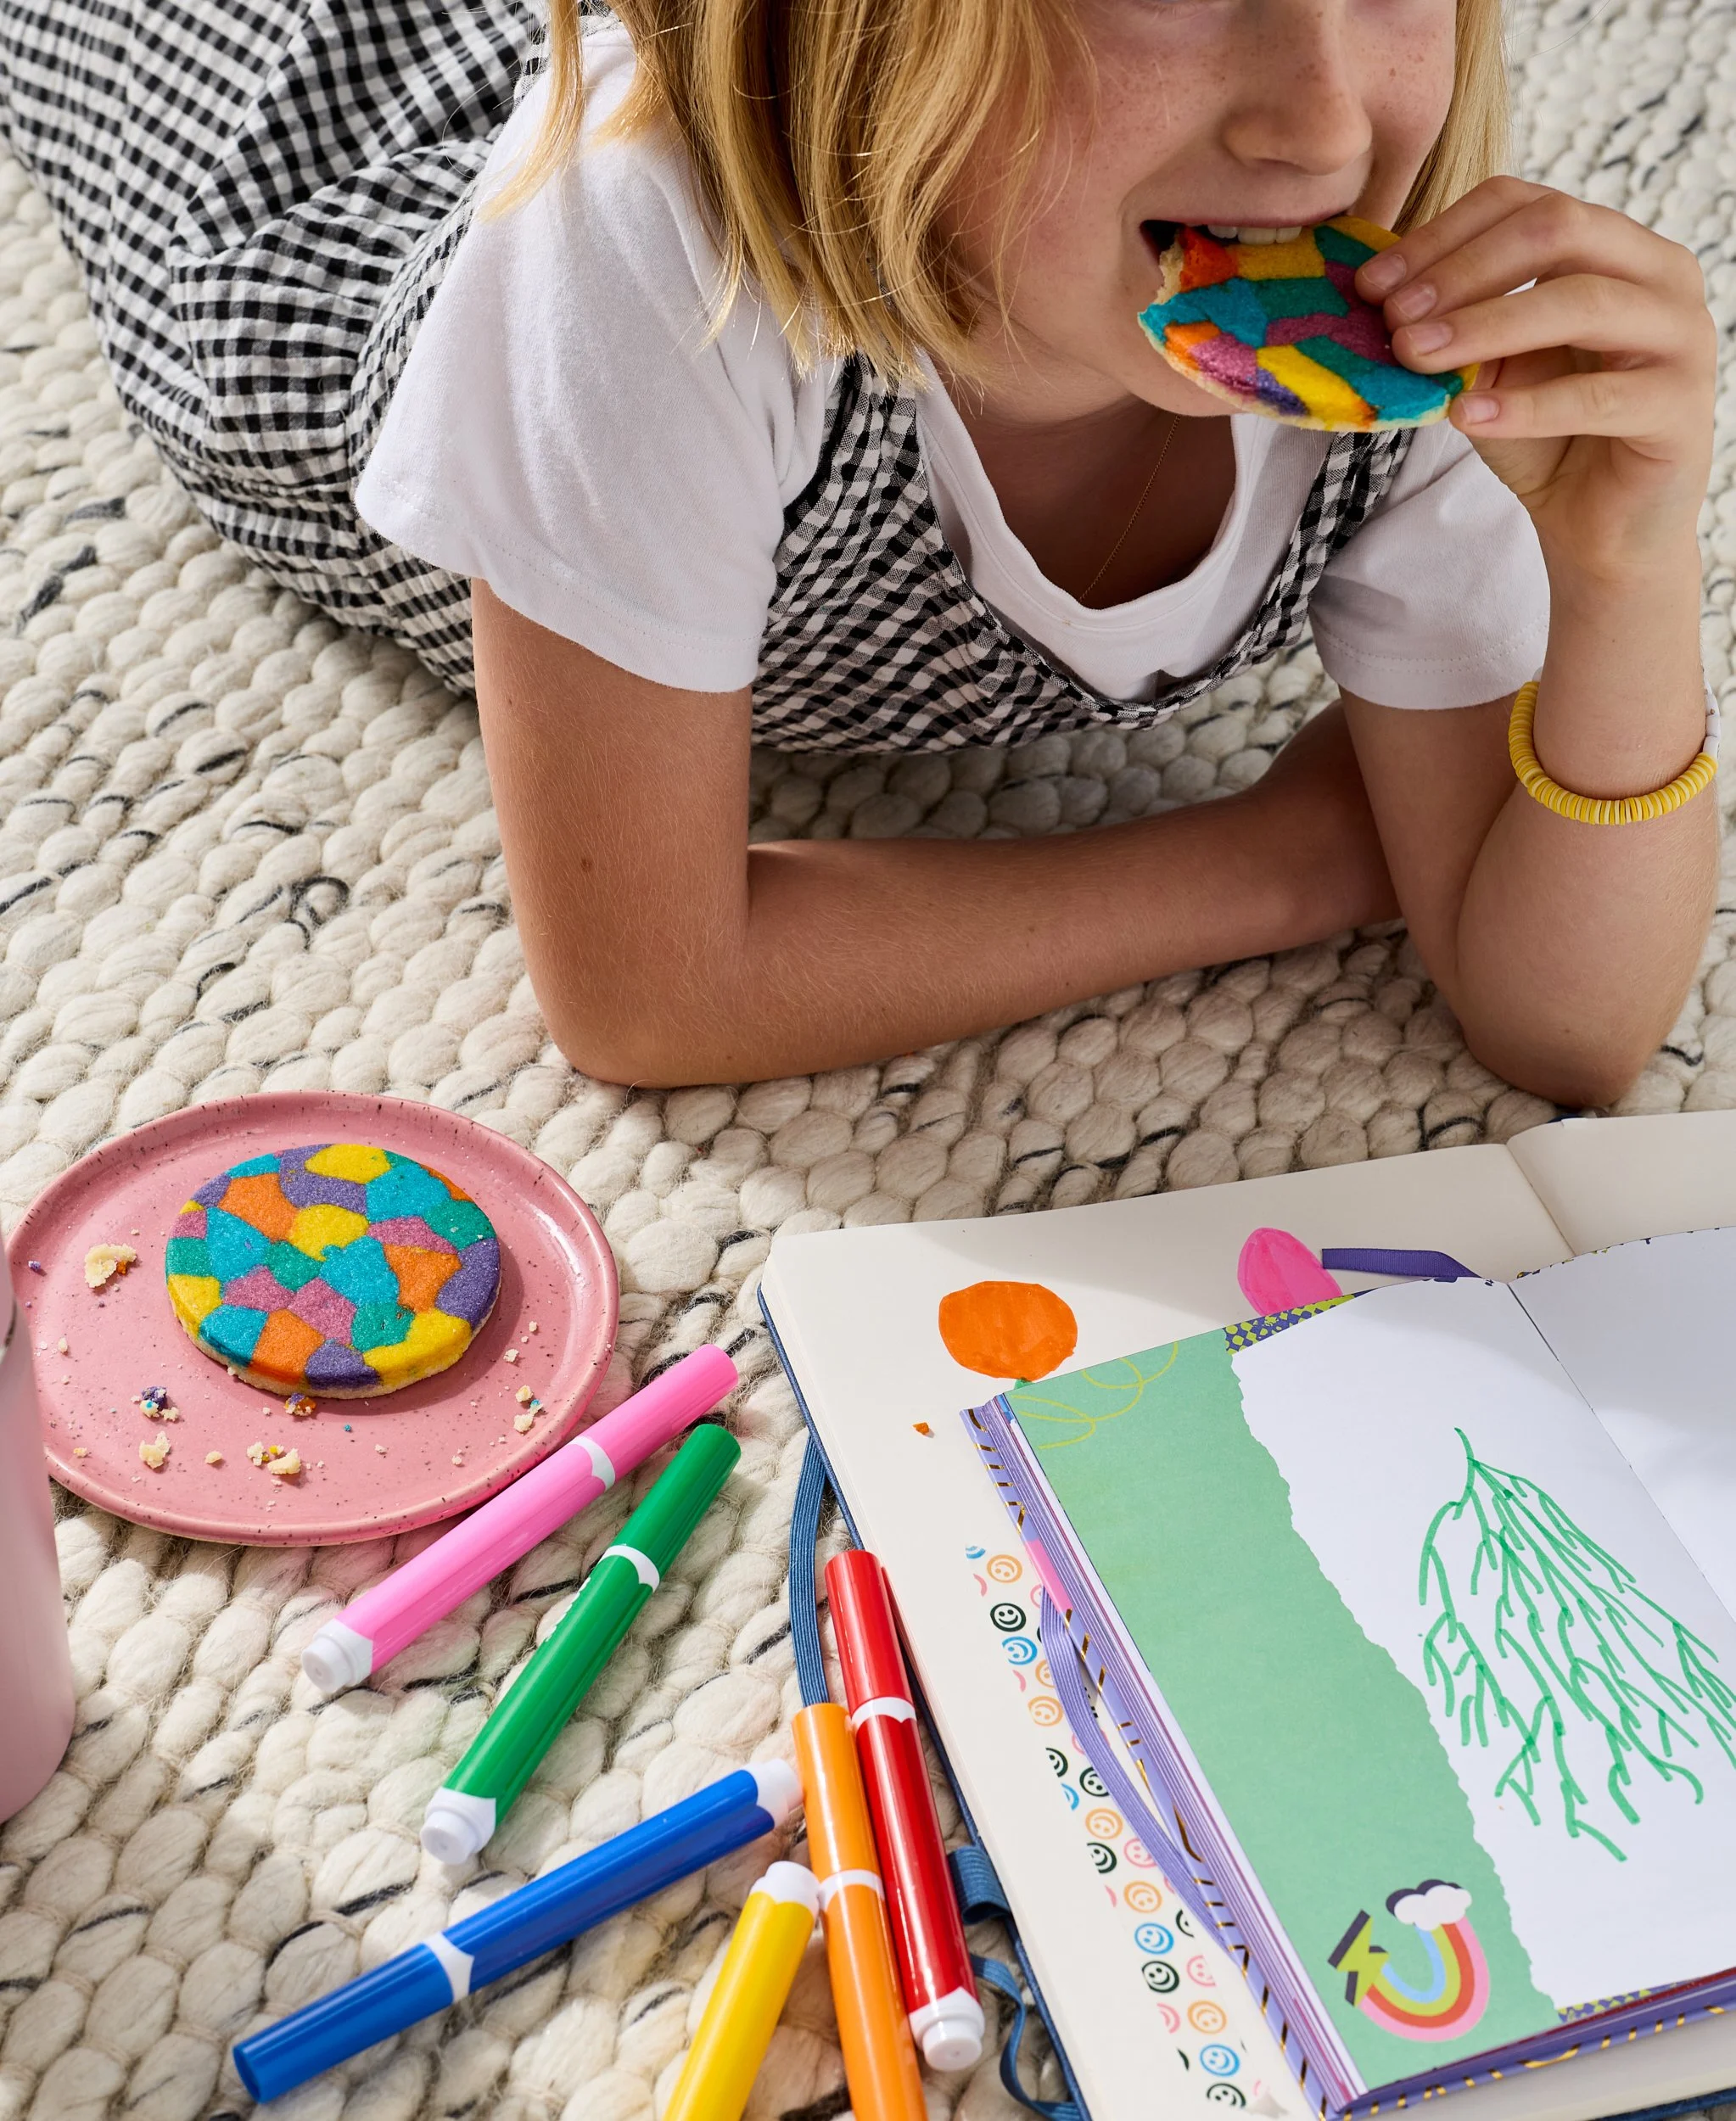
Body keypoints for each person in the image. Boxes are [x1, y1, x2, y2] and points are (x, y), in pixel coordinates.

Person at [1, 2, 1716, 1100]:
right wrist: (1287, 855)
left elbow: (1563, 1025)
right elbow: (652, 999)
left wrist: (1626, 572)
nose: (1326, 128)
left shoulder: (1403, 311)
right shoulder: (648, 237)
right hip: (298, 127)